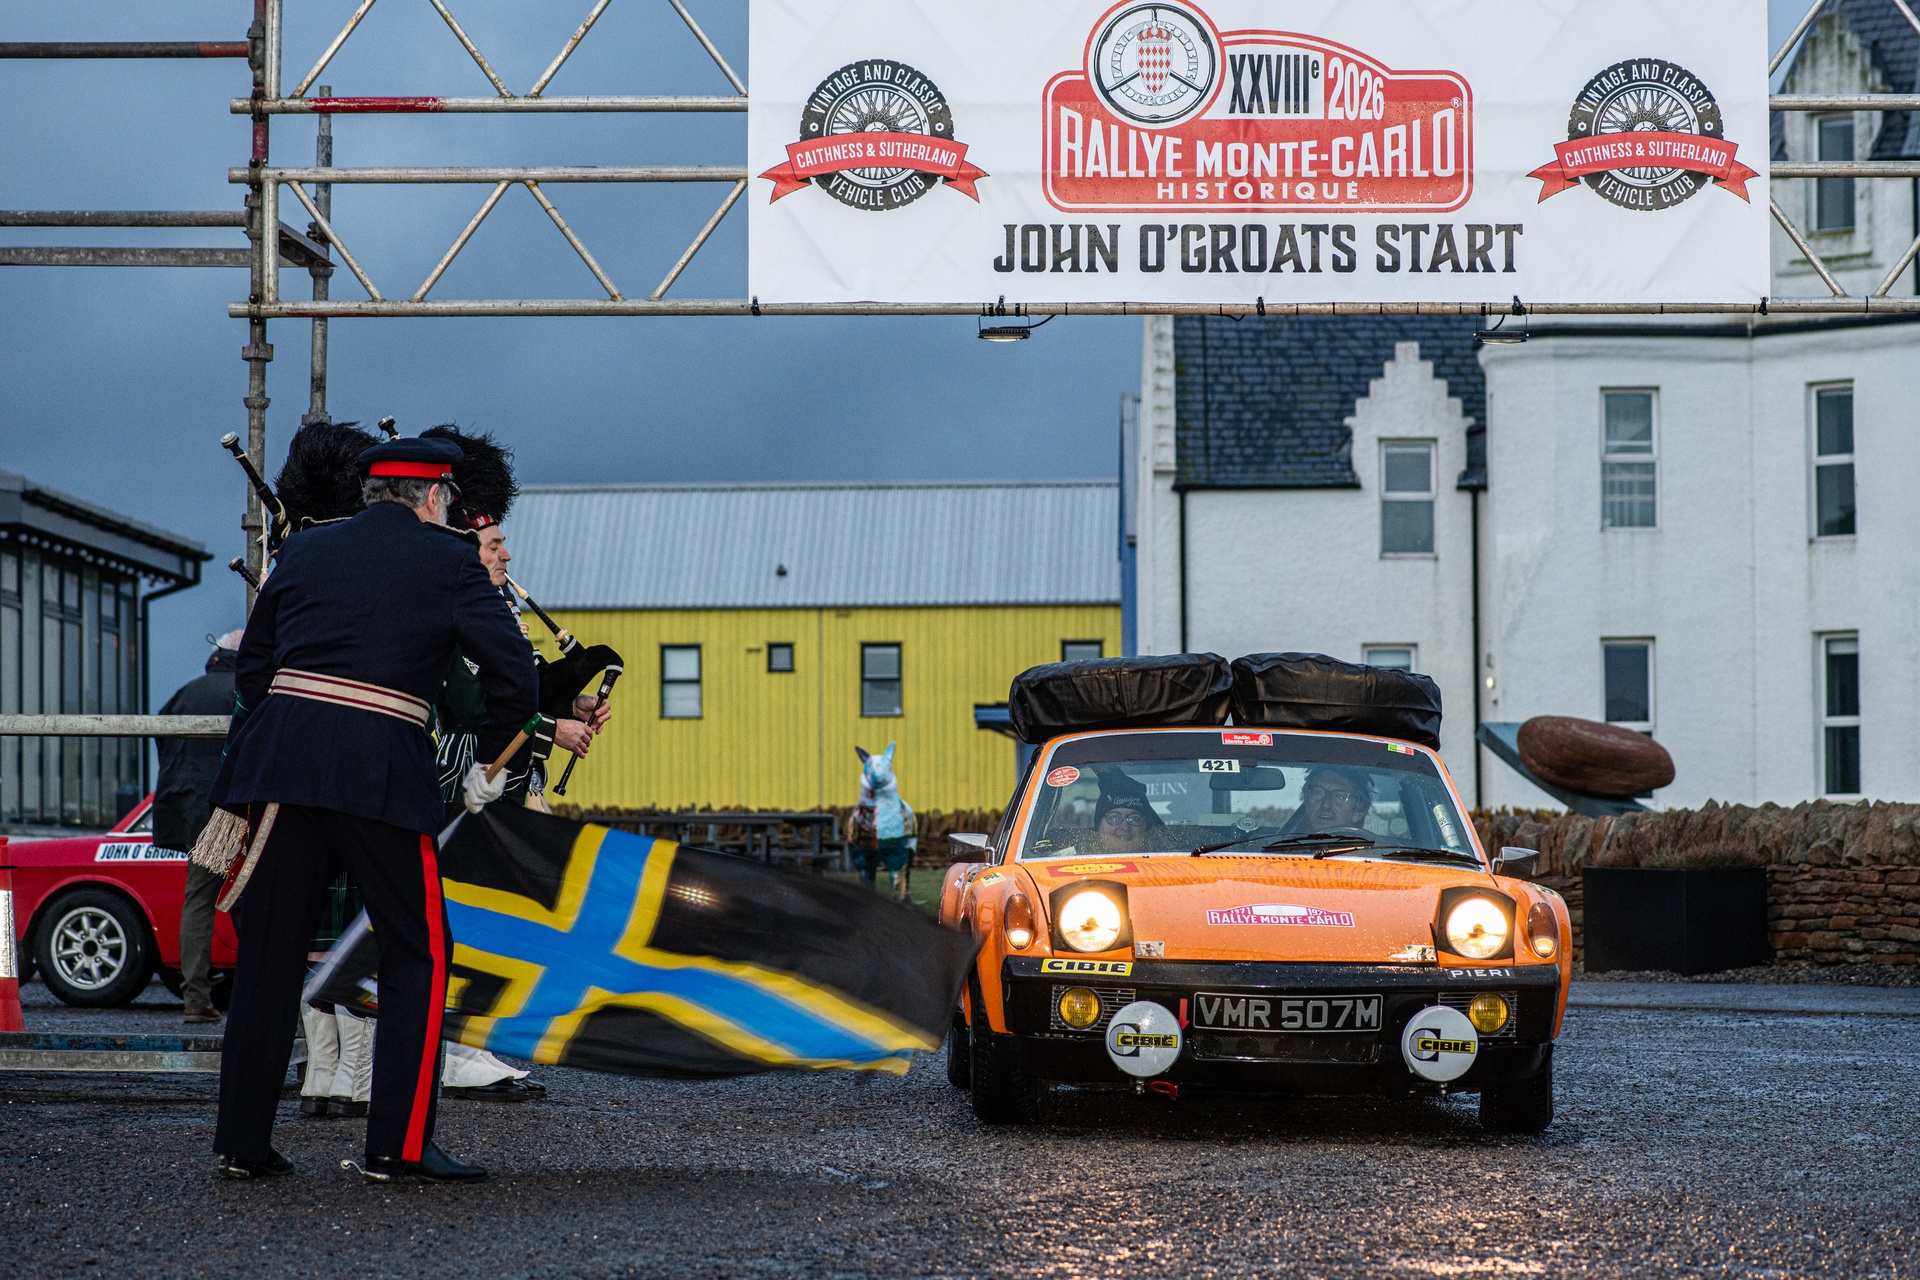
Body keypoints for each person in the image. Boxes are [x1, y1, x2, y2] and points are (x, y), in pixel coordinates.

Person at [207, 435, 537, 1184]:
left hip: (282, 767)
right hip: (382, 771)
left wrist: (298, 725)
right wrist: (488, 759)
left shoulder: (306, 551)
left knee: (268, 958)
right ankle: (399, 1146)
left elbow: (256, 668)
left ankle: (242, 1143)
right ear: (433, 496)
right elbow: (512, 671)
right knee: (416, 953)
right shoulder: (451, 559)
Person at [156, 630, 244, 1024]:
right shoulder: (245, 691)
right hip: (233, 810)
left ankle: (195, 998)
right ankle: (263, 998)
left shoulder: (184, 693)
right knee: (256, 900)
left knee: (199, 902)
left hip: (191, 810)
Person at [1091, 773, 1164, 854]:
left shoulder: (1166, 863)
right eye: (1114, 818)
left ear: (1146, 829)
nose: (1125, 827)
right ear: (1098, 826)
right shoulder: (1078, 861)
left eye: (1135, 819)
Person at [1296, 765, 1374, 834]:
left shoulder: (1375, 849)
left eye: (1339, 796)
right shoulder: (1288, 847)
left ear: (1358, 813)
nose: (1326, 804)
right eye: (1318, 792)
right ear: (1307, 804)